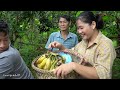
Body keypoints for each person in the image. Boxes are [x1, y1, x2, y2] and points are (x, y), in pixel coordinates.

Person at [48, 11, 116, 79]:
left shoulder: (106, 44)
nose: (79, 32)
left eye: (81, 28)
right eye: (78, 28)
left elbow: (102, 74)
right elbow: (73, 53)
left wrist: (74, 66)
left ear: (93, 25)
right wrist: (61, 47)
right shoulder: (83, 42)